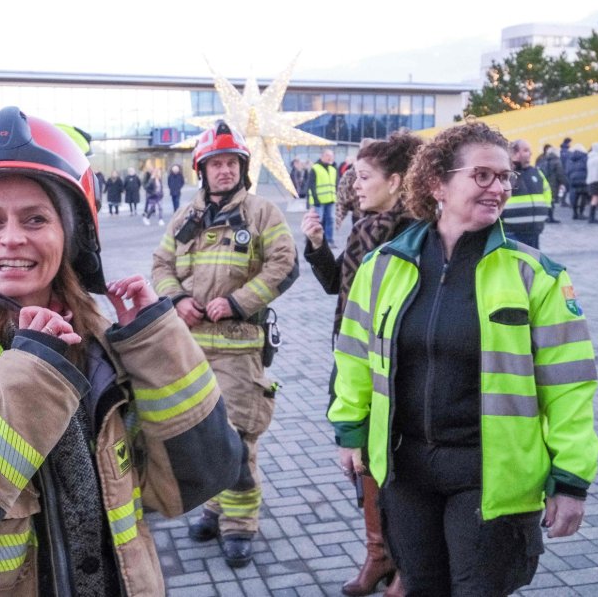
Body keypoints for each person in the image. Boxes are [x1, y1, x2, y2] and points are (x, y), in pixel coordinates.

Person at [0, 107, 242, 595]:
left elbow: (202, 477)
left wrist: (156, 343)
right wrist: (28, 375)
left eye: (35, 218)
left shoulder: (98, 347)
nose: (12, 237)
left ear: (69, 238)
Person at [329, 122, 598, 595]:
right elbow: (353, 355)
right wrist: (350, 431)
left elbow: (569, 385)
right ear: (437, 183)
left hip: (491, 479)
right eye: (482, 176)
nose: (499, 188)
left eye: (505, 176)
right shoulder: (383, 267)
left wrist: (571, 479)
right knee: (422, 587)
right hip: (405, 470)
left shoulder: (537, 276)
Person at [152, 120, 299, 568]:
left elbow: (284, 264)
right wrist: (177, 300)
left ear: (242, 168)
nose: (223, 171)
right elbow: (160, 264)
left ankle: (240, 524)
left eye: (230, 163)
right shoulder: (186, 217)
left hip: (239, 349)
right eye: (215, 164)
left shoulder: (261, 213)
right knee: (204, 438)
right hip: (192, 349)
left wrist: (237, 302)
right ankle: (214, 507)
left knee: (237, 439)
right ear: (202, 169)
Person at [301, 132, 422, 596]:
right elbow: (339, 287)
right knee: (364, 462)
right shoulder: (367, 223)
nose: (353, 183)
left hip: (387, 366)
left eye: (364, 175)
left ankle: (406, 564)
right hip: (351, 356)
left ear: (396, 181)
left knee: (390, 462)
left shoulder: (410, 231)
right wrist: (316, 244)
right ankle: (379, 553)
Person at [500, 139, 551, 249]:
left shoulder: (536, 172)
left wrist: (544, 210)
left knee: (532, 264)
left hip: (534, 231)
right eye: (526, 150)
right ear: (516, 153)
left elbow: (547, 191)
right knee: (516, 264)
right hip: (511, 232)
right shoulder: (506, 173)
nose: (531, 153)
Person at [306, 149, 338, 245]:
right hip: (318, 201)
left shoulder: (333, 169)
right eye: (327, 155)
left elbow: (336, 185)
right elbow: (311, 185)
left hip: (331, 200)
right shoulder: (315, 168)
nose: (329, 158)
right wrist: (315, 199)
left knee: (330, 221)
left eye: (331, 156)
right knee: (317, 222)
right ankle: (316, 241)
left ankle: (329, 240)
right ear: (322, 156)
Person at [536, 144, 566, 223]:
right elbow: (560, 173)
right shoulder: (557, 161)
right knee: (551, 200)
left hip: (544, 182)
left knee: (546, 200)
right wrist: (563, 182)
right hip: (553, 183)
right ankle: (551, 217)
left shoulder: (543, 159)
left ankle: (546, 216)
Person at [565, 143, 589, 219]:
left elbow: (567, 170)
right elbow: (587, 167)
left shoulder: (570, 158)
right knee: (583, 196)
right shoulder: (585, 157)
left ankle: (575, 213)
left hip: (573, 179)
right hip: (583, 178)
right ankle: (581, 213)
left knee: (575, 196)